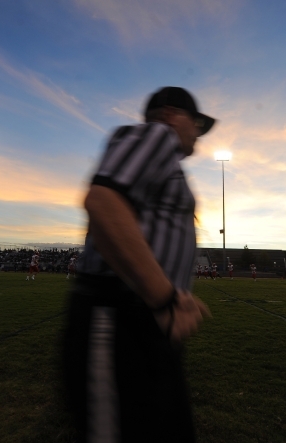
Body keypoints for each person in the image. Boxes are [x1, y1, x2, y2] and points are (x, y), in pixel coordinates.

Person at [62, 86, 216, 443]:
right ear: (171, 115)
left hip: (146, 319)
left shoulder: (164, 160)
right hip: (120, 313)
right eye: (196, 123)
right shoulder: (157, 136)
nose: (198, 134)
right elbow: (103, 201)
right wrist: (163, 297)